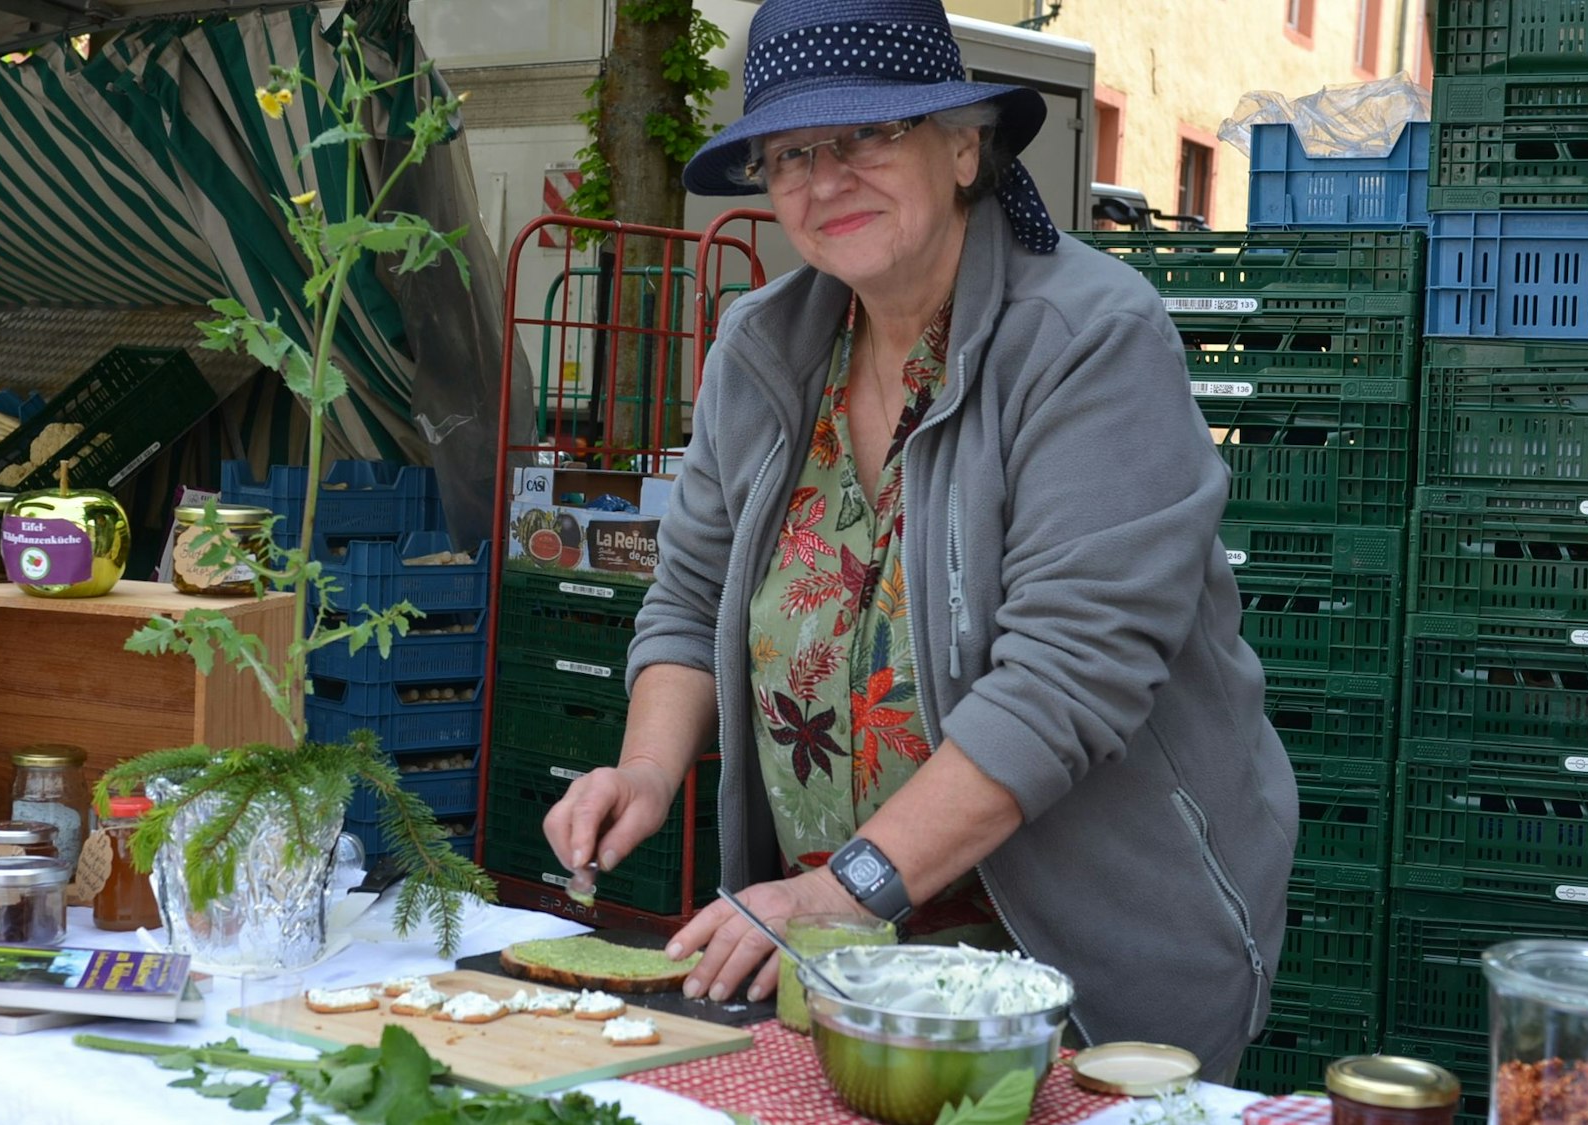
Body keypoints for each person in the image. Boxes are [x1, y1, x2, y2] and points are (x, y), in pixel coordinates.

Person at [540, 0, 1297, 1079]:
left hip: (1075, 967)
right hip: (834, 959)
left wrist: (835, 891)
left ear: (961, 146)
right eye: (790, 152)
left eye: (866, 135)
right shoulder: (762, 351)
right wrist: (645, 772)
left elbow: (1065, 680)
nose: (824, 176)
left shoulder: (1086, 339)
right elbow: (687, 594)